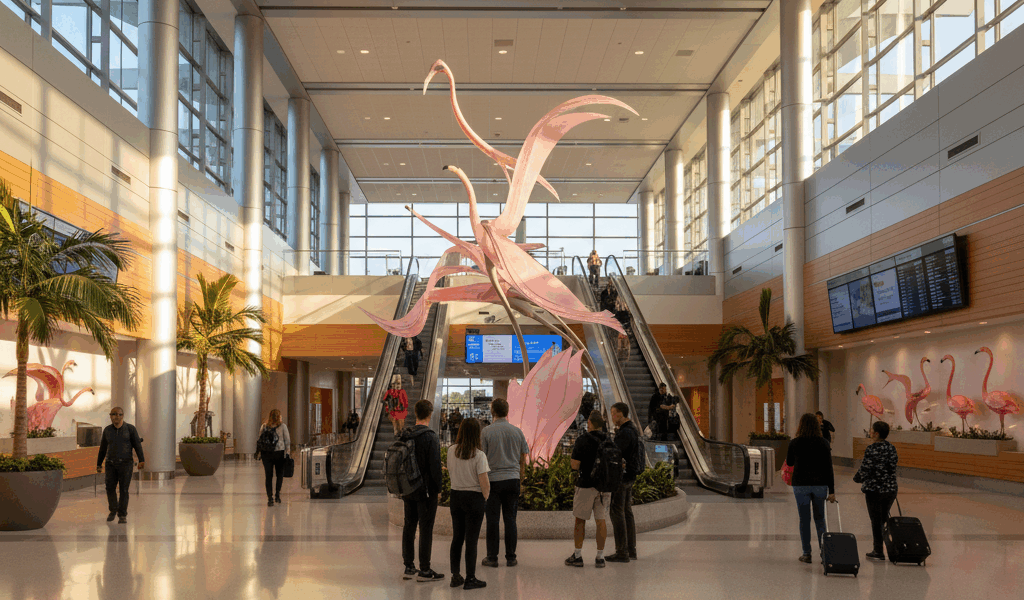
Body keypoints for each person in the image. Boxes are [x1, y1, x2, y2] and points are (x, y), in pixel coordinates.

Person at [481, 398, 531, 569]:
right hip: (512, 479)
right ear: (507, 412)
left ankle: (492, 558)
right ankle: (511, 557)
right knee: (510, 519)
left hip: (493, 481)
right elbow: (523, 458)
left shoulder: (486, 432)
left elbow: (481, 459)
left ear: (493, 411)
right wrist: (520, 477)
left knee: (492, 520)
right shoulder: (517, 432)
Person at [402, 400, 445, 582]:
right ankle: (425, 569)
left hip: (408, 488)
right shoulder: (430, 437)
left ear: (415, 412)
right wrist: (439, 488)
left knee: (409, 525)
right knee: (425, 528)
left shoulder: (405, 435)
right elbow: (435, 467)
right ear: (430, 413)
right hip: (426, 490)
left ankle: (408, 566)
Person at [785, 413, 837, 564]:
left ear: (801, 425)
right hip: (820, 485)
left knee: (804, 520)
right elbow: (829, 469)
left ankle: (806, 553)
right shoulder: (824, 443)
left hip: (801, 485)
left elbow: (789, 462)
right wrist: (832, 490)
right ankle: (824, 552)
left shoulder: (794, 443)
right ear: (817, 425)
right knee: (820, 519)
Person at [447, 418, 491, 590]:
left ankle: (455, 575)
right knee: (471, 540)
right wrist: (485, 498)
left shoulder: (451, 451)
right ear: (477, 434)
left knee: (457, 537)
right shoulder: (479, 455)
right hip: (474, 499)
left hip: (455, 496)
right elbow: (484, 483)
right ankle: (470, 578)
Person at [566, 410, 610, 568]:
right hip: (604, 486)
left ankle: (577, 555)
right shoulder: (608, 439)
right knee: (601, 521)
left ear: (589, 423)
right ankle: (600, 557)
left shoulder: (582, 440)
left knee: (580, 520)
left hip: (585, 484)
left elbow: (574, 465)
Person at [855, 421, 899, 561]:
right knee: (883, 517)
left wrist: (857, 478)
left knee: (876, 520)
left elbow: (865, 468)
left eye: (871, 430)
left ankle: (878, 550)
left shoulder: (871, 449)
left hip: (874, 490)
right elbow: (893, 467)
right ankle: (893, 544)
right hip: (890, 489)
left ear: (877, 433)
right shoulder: (892, 448)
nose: (870, 431)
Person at [95, 406, 145, 524]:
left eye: (119, 414)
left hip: (126, 464)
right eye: (114, 414)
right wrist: (98, 464)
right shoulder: (107, 430)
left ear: (123, 416)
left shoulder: (130, 429)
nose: (116, 416)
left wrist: (142, 460)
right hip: (110, 464)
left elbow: (137, 445)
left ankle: (122, 514)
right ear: (110, 416)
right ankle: (113, 510)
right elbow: (102, 448)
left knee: (124, 489)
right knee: (109, 488)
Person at [607, 402, 641, 563]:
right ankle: (631, 549)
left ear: (621, 414)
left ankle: (622, 551)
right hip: (630, 476)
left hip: (622, 477)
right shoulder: (632, 429)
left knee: (617, 512)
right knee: (627, 511)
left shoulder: (625, 432)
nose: (612, 417)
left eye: (614, 413)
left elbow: (614, 452)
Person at [258, 409, 291, 507]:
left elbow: (260, 439)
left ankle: (269, 498)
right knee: (279, 474)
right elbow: (287, 440)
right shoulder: (283, 426)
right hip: (279, 453)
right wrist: (288, 453)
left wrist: (260, 453)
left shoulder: (264, 426)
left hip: (266, 454)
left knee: (268, 476)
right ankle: (277, 495)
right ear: (279, 416)